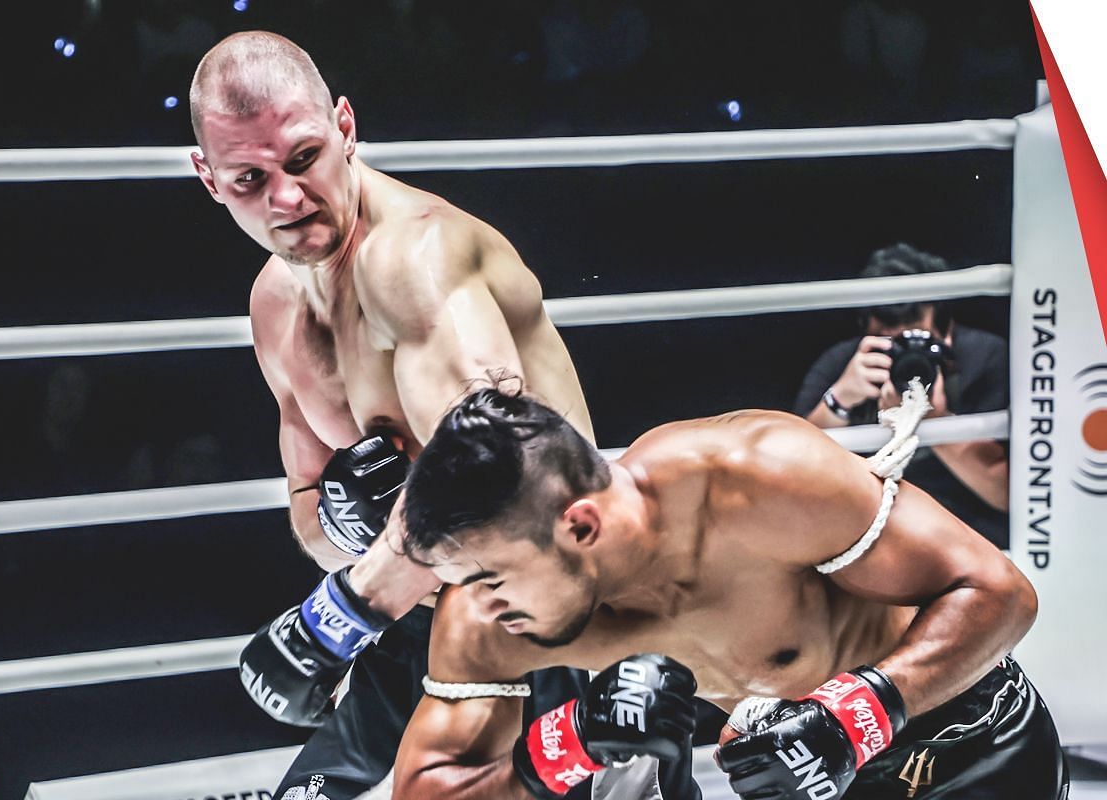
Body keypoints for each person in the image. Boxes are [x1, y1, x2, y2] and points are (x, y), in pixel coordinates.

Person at [188, 30, 608, 800]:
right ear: (208, 179)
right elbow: (311, 507)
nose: (284, 198)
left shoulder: (412, 260)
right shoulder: (274, 304)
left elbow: (498, 482)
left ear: (346, 128)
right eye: (249, 178)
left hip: (548, 611)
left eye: (304, 158)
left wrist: (334, 619)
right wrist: (350, 529)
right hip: (419, 611)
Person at [391, 387, 1067, 800]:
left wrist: (854, 716)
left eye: (492, 575)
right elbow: (426, 791)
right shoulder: (486, 623)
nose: (483, 603)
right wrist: (566, 745)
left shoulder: (758, 478)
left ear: (580, 525)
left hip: (961, 738)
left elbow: (1000, 593)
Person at [793, 244, 1010, 548]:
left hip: (967, 533)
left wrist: (933, 423)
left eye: (916, 340)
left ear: (945, 330)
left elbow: (1007, 494)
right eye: (890, 342)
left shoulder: (984, 357)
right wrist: (839, 401)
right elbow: (794, 475)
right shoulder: (846, 363)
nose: (905, 357)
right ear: (865, 329)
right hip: (865, 532)